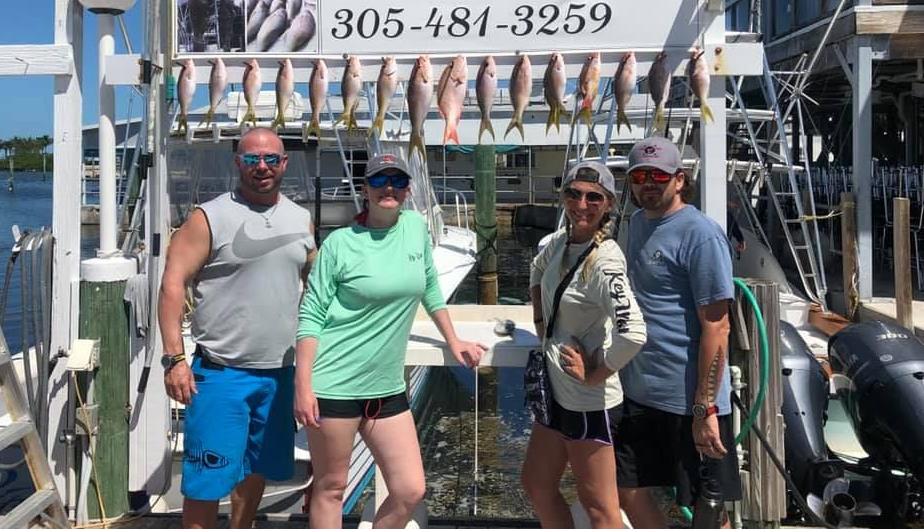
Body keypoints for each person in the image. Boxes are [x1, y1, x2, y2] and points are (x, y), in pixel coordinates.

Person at [295, 153, 487, 528]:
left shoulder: (415, 226)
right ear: (365, 189)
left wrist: (453, 339)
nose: (389, 188)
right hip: (334, 384)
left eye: (397, 182)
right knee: (332, 487)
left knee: (409, 488)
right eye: (380, 181)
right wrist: (303, 386)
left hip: (386, 386)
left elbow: (429, 283)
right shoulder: (339, 244)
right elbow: (311, 316)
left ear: (407, 190)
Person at [158, 128, 316, 529]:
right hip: (220, 373)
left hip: (279, 374)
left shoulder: (301, 218)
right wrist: (175, 359)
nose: (261, 167)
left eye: (269, 160)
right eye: (251, 159)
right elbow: (172, 285)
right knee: (206, 483)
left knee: (255, 470)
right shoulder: (208, 217)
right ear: (237, 163)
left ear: (283, 164)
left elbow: (317, 283)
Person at [616, 137, 742, 528]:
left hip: (688, 399)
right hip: (639, 391)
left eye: (658, 174)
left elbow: (717, 326)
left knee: (710, 508)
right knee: (627, 491)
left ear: (680, 180)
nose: (648, 182)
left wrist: (704, 409)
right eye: (639, 175)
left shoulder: (701, 233)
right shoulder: (636, 223)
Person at [522, 161, 647, 529]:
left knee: (599, 508)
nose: (582, 204)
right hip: (556, 394)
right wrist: (543, 325)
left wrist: (596, 373)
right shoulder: (560, 242)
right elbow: (536, 272)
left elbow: (634, 332)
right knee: (536, 485)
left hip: (588, 403)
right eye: (574, 194)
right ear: (563, 197)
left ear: (608, 204)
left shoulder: (605, 263)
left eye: (594, 197)